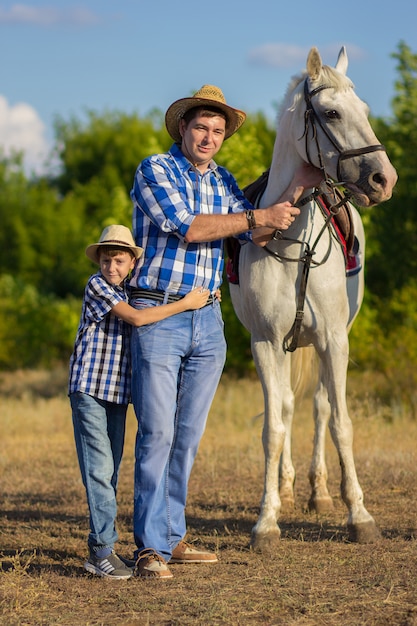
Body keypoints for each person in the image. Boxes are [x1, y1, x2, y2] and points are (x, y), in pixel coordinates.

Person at [129, 85, 323, 579]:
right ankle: (149, 546)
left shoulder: (224, 180)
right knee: (158, 432)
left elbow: (252, 230)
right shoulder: (155, 169)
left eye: (218, 131)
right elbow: (189, 227)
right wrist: (259, 214)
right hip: (161, 313)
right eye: (201, 127)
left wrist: (297, 186)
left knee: (188, 436)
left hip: (208, 321)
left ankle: (171, 538)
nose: (209, 137)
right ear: (183, 128)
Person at [68, 224, 210, 579]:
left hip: (117, 393)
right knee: (99, 471)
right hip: (90, 389)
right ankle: (100, 551)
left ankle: (107, 547)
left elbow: (149, 302)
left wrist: (207, 300)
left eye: (118, 260)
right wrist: (186, 304)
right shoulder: (98, 286)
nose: (111, 267)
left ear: (131, 263)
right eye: (106, 260)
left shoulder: (130, 288)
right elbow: (138, 317)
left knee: (111, 469)